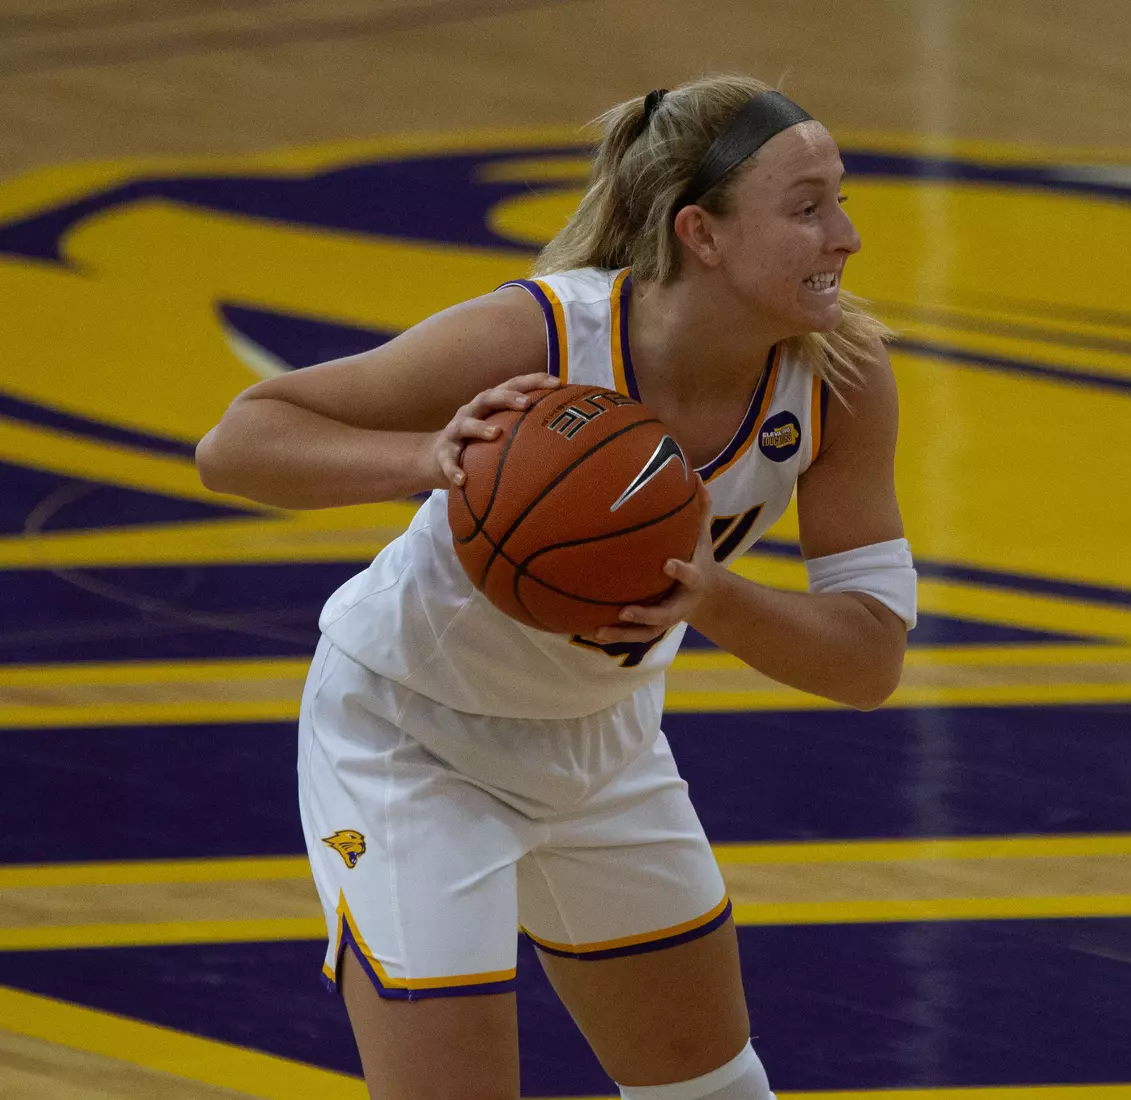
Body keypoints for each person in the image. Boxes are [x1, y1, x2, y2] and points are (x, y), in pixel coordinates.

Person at [197, 73, 917, 1100]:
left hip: (602, 740)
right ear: (699, 235)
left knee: (712, 1091)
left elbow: (867, 661)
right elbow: (238, 443)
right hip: (411, 735)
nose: (843, 235)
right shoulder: (537, 338)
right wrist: (430, 456)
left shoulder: (839, 382)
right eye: (806, 209)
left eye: (841, 200)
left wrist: (715, 598)